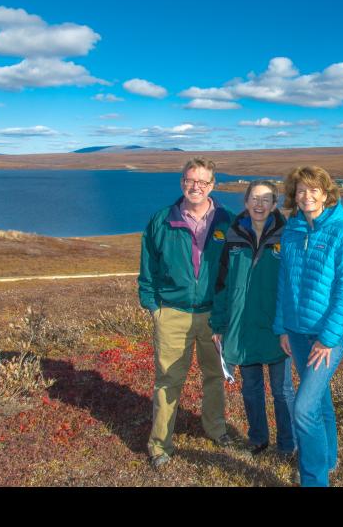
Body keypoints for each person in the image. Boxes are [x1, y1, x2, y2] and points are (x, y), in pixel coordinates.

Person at [138, 158, 234, 470]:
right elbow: (148, 267)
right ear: (182, 182)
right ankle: (160, 444)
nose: (196, 187)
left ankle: (216, 429)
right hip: (173, 313)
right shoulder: (161, 220)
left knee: (214, 376)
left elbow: (237, 269)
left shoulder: (227, 222)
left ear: (213, 185)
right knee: (168, 380)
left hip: (213, 315)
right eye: (190, 181)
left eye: (202, 182)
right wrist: (154, 307)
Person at [273, 165, 343, 487]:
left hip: (328, 335)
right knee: (319, 399)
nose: (306, 196)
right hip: (296, 332)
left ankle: (313, 480)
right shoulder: (293, 230)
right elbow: (284, 282)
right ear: (293, 196)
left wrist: (327, 338)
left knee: (304, 407)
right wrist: (282, 327)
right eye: (300, 190)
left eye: (313, 190)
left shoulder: (342, 232)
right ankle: (329, 460)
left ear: (326, 194)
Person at [209, 180, 296, 458]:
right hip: (242, 326)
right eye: (254, 199)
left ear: (274, 205)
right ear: (245, 202)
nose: (259, 205)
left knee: (282, 391)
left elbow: (294, 285)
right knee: (251, 389)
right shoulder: (232, 235)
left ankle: (288, 444)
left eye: (266, 199)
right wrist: (219, 324)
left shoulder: (287, 235)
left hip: (277, 327)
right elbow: (221, 285)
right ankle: (258, 439)